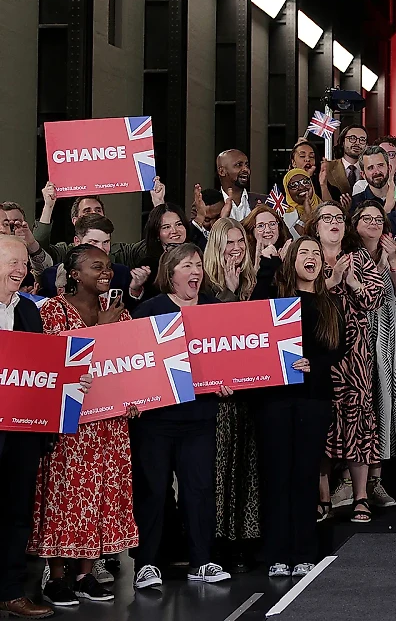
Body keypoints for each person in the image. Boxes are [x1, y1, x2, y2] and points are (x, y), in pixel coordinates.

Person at [28, 245, 137, 606]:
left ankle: (86, 575)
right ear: (74, 273)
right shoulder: (53, 311)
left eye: (108, 267)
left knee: (101, 495)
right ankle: (56, 578)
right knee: (65, 496)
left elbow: (134, 362)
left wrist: (139, 398)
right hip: (68, 424)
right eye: (96, 267)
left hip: (108, 425)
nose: (106, 272)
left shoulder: (120, 314)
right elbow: (48, 360)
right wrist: (98, 331)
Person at [0, 236, 94, 619]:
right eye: (12, 262)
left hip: (22, 433)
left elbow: (41, 368)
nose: (21, 269)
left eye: (24, 263)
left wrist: (71, 382)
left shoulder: (29, 311)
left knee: (16, 513)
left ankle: (10, 591)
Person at [129, 244, 231, 590]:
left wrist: (229, 383)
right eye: (187, 265)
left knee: (199, 490)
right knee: (153, 492)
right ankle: (146, 564)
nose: (196, 271)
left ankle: (202, 560)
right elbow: (133, 363)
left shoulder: (215, 309)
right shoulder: (148, 311)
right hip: (155, 422)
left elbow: (229, 358)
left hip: (199, 418)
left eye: (199, 265)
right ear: (170, 272)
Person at [252, 238, 344, 578]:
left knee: (305, 476)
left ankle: (305, 550)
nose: (312, 258)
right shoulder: (276, 297)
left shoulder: (329, 303)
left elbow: (338, 347)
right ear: (291, 261)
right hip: (274, 399)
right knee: (276, 476)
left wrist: (314, 363)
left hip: (313, 398)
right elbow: (253, 316)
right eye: (304, 252)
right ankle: (277, 552)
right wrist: (266, 265)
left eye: (317, 254)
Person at [306, 202, 385, 524]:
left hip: (354, 357)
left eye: (339, 218)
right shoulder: (306, 257)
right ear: (316, 226)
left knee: (358, 423)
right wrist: (333, 279)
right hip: (317, 356)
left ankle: (360, 496)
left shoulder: (360, 258)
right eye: (327, 219)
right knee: (322, 424)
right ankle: (323, 497)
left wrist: (352, 283)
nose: (334, 223)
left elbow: (375, 300)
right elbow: (298, 299)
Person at [348, 201, 396, 508]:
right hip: (358, 337)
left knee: (387, 408)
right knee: (361, 410)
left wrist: (391, 259)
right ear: (355, 223)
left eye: (379, 219)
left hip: (393, 337)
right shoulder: (348, 255)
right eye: (367, 218)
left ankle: (377, 482)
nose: (374, 223)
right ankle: (349, 483)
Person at [202, 219, 261, 569]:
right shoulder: (205, 284)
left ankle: (245, 538)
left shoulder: (255, 281)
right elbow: (212, 331)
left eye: (240, 240)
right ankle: (217, 542)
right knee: (218, 469)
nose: (235, 247)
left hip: (250, 393)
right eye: (228, 241)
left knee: (246, 466)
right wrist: (228, 288)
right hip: (216, 395)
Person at [35, 178, 167, 265]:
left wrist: (158, 203)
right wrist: (48, 206)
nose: (93, 213)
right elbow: (37, 250)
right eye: (87, 211)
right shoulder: (64, 252)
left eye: (98, 210)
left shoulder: (122, 253)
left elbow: (155, 245)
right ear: (75, 220)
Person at [38, 215, 150, 305]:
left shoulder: (122, 273)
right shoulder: (52, 276)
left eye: (106, 242)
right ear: (77, 241)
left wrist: (135, 289)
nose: (101, 248)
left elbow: (133, 313)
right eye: (93, 242)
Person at [0, 203, 52, 278]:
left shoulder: (25, 255)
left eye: (6, 224)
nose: (3, 230)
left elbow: (48, 273)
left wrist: (32, 244)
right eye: (10, 224)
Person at [216, 150, 265, 221]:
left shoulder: (264, 202)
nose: (246, 169)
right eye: (239, 165)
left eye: (247, 165)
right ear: (222, 171)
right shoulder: (209, 206)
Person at [322, 125, 369, 200]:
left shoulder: (371, 169)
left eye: (362, 139)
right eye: (352, 138)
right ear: (343, 142)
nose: (357, 143)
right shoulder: (328, 167)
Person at [350, 146, 396, 216]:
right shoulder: (356, 203)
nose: (377, 171)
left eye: (380, 165)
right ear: (363, 174)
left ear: (389, 168)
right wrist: (387, 208)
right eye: (370, 168)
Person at [282, 168, 320, 237]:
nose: (301, 187)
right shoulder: (285, 219)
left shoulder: (325, 208)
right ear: (287, 192)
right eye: (294, 185)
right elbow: (296, 239)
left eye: (305, 182)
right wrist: (306, 215)